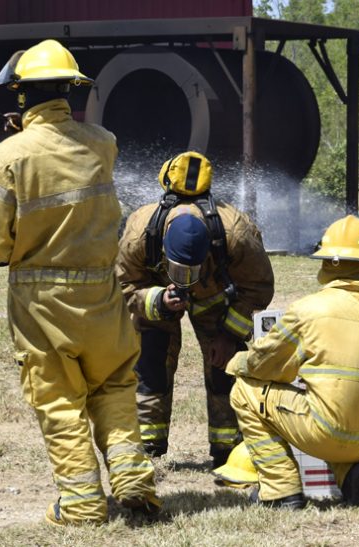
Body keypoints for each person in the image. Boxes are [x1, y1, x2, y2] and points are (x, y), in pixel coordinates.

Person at [0, 39, 159, 526]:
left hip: (43, 300)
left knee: (59, 399)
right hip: (103, 291)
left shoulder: (9, 156)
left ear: (20, 96)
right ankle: (134, 481)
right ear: (69, 90)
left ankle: (81, 504)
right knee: (114, 386)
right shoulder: (103, 142)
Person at [225, 215, 359, 507]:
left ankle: (280, 491)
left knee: (245, 390)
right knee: (336, 406)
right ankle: (352, 473)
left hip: (328, 432)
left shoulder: (309, 310)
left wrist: (237, 363)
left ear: (330, 262)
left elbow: (266, 364)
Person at [116, 151, 275, 468]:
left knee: (225, 366)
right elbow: (123, 288)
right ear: (162, 247)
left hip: (216, 296)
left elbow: (259, 288)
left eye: (192, 269)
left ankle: (228, 449)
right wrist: (157, 302)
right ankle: (148, 444)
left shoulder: (237, 234)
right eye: (180, 270)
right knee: (150, 357)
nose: (186, 280)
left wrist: (229, 334)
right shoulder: (138, 231)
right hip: (159, 291)